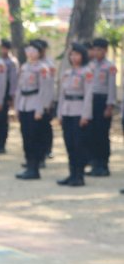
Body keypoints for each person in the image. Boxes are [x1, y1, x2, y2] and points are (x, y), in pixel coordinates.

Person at [57, 43, 93, 187]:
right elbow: (62, 95)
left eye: (77, 54)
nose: (74, 57)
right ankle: (72, 173)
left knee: (79, 144)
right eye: (72, 54)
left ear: (83, 56)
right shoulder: (67, 73)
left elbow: (89, 95)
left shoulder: (87, 72)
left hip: (79, 111)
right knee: (69, 144)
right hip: (67, 110)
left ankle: (79, 175)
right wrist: (60, 113)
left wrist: (86, 115)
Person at [15, 41, 52, 180]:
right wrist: (17, 106)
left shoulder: (42, 68)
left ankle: (35, 167)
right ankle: (29, 165)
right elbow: (19, 88)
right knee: (26, 137)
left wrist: (40, 109)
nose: (30, 53)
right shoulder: (24, 67)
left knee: (34, 137)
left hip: (35, 104)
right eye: (28, 50)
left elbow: (44, 90)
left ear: (39, 53)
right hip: (24, 104)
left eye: (34, 51)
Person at [86, 37, 116, 177]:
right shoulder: (91, 66)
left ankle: (103, 164)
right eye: (95, 49)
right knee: (91, 133)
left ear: (105, 51)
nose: (96, 52)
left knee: (102, 134)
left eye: (100, 50)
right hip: (91, 101)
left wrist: (109, 106)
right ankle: (94, 163)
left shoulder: (109, 66)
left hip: (102, 101)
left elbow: (111, 88)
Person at [0, 39, 18, 153]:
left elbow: (13, 80)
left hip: (6, 92)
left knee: (3, 120)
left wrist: (11, 96)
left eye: (5, 48)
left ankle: (2, 143)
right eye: (2, 48)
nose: (3, 50)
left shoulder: (12, 62)